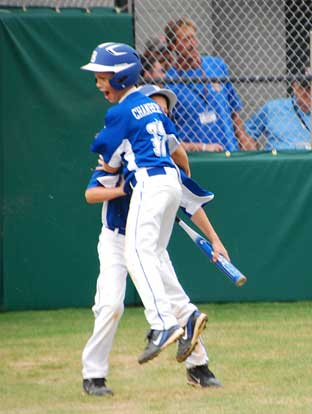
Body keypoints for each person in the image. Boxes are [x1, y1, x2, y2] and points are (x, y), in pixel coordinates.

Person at [81, 82, 227, 395]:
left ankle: (199, 369)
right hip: (116, 241)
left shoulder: (163, 166)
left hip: (150, 246)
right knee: (110, 305)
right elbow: (91, 192)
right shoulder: (122, 152)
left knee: (179, 304)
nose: (161, 113)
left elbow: (192, 205)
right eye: (156, 107)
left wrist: (215, 239)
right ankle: (93, 376)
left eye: (165, 110)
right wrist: (123, 189)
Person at [164, 17, 252, 152]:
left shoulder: (217, 65)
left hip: (228, 150)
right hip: (197, 157)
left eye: (193, 38)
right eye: (186, 40)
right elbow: (167, 132)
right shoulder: (169, 82)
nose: (192, 44)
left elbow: (234, 109)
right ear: (174, 46)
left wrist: (243, 139)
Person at [243, 70, 312, 150]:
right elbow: (248, 134)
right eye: (306, 87)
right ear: (294, 86)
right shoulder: (274, 107)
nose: (310, 92)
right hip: (276, 160)